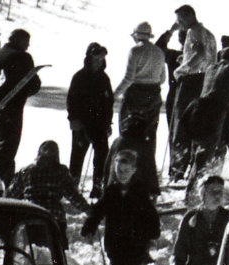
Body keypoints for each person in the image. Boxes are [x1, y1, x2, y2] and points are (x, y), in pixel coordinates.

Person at [117, 22, 170, 191]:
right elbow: (162, 78)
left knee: (127, 133)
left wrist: (114, 94)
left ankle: (126, 175)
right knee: (149, 137)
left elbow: (129, 77)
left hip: (135, 94)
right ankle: (148, 176)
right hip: (154, 95)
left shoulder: (135, 51)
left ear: (136, 36)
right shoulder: (159, 52)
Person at [0, 27, 39, 174]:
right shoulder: (22, 57)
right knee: (7, 150)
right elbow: (32, 83)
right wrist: (28, 91)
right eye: (26, 42)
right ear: (18, 40)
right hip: (11, 110)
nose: (28, 45)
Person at [64, 40, 116, 194]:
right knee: (78, 155)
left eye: (101, 59)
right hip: (82, 123)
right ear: (89, 58)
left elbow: (109, 102)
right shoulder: (79, 77)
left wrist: (108, 124)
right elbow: (71, 101)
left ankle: (98, 185)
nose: (99, 62)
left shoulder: (104, 78)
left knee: (101, 156)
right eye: (96, 58)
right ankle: (73, 186)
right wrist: (73, 120)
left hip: (99, 124)